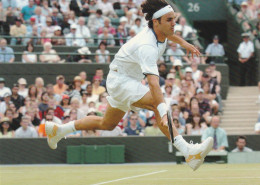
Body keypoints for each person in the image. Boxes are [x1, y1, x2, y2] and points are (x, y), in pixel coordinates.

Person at [45, 0, 213, 171]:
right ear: (156, 22)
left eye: (174, 19)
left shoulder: (159, 31)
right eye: (169, 20)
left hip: (121, 80)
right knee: (157, 104)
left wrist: (184, 44)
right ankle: (188, 151)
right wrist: (162, 111)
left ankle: (59, 130)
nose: (173, 23)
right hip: (121, 82)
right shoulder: (147, 46)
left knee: (107, 124)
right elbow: (153, 84)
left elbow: (169, 34)